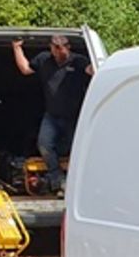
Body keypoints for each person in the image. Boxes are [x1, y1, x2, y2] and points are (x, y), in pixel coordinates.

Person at [11, 33, 94, 193]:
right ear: (51, 48)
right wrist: (17, 48)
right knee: (44, 144)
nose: (59, 53)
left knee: (73, 148)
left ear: (68, 47)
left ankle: (75, 182)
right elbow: (25, 69)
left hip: (74, 116)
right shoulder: (44, 60)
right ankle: (56, 178)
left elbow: (92, 71)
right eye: (55, 49)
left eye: (61, 49)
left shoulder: (78, 61)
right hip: (52, 115)